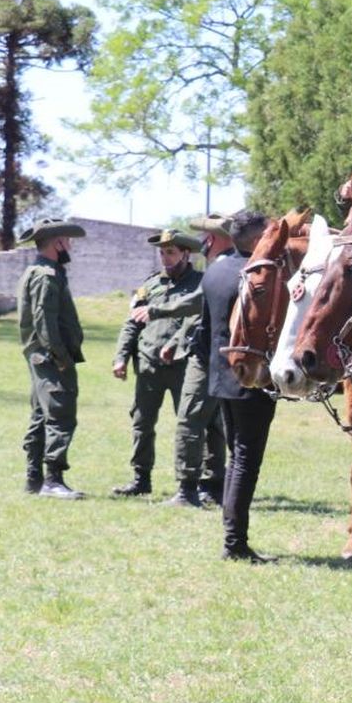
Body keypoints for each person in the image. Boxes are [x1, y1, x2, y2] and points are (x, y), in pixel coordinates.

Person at [196, 210, 279, 562]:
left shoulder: (214, 270)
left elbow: (203, 329)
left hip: (219, 376)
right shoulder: (254, 274)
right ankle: (235, 543)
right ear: (256, 239)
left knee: (236, 457)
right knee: (245, 459)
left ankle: (233, 537)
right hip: (249, 376)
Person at [144, 214, 231, 508]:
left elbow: (197, 301)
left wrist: (158, 310)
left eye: (206, 236)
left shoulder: (221, 269)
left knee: (190, 421)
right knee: (216, 423)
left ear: (217, 239)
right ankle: (215, 486)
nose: (202, 242)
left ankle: (187, 490)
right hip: (225, 355)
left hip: (209, 356)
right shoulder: (238, 264)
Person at [111, 229, 206, 498]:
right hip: (148, 365)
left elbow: (194, 320)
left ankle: (194, 482)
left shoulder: (199, 284)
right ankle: (141, 479)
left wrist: (175, 343)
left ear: (186, 254)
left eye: (171, 252)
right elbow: (132, 323)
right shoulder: (150, 285)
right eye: (162, 253)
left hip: (183, 365)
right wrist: (121, 357)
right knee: (142, 422)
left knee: (191, 424)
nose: (165, 258)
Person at [16, 218, 87, 500]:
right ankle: (52, 480)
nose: (70, 246)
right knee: (60, 414)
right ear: (57, 243)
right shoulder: (46, 275)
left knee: (40, 415)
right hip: (50, 357)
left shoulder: (38, 270)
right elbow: (44, 321)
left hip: (39, 356)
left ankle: (34, 478)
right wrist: (60, 356)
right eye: (67, 241)